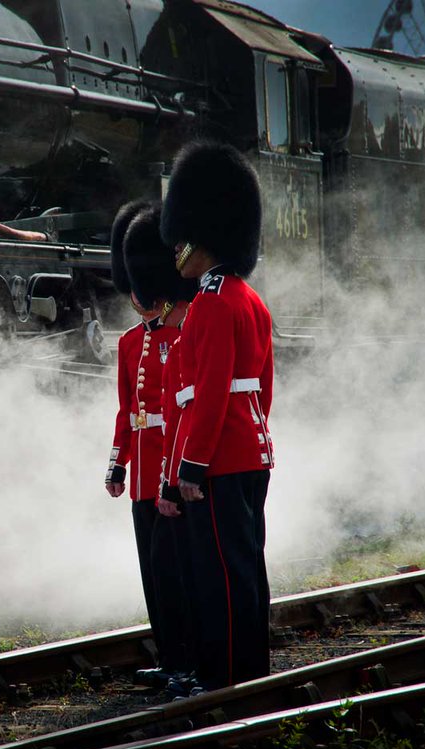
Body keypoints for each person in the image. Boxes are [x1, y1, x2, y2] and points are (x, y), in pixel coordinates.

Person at [159, 141, 274, 692]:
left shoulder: (210, 302)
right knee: (249, 567)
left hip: (219, 459)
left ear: (202, 235)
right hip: (252, 451)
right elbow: (262, 390)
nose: (176, 248)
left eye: (182, 239)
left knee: (221, 574)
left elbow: (208, 393)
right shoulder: (250, 299)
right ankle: (249, 669)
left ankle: (225, 676)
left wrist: (191, 466)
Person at [104, 201, 196, 688]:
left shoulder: (181, 330)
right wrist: (117, 465)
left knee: (174, 569)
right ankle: (170, 656)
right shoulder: (127, 343)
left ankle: (188, 658)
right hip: (141, 469)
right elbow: (126, 411)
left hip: (168, 465)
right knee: (152, 571)